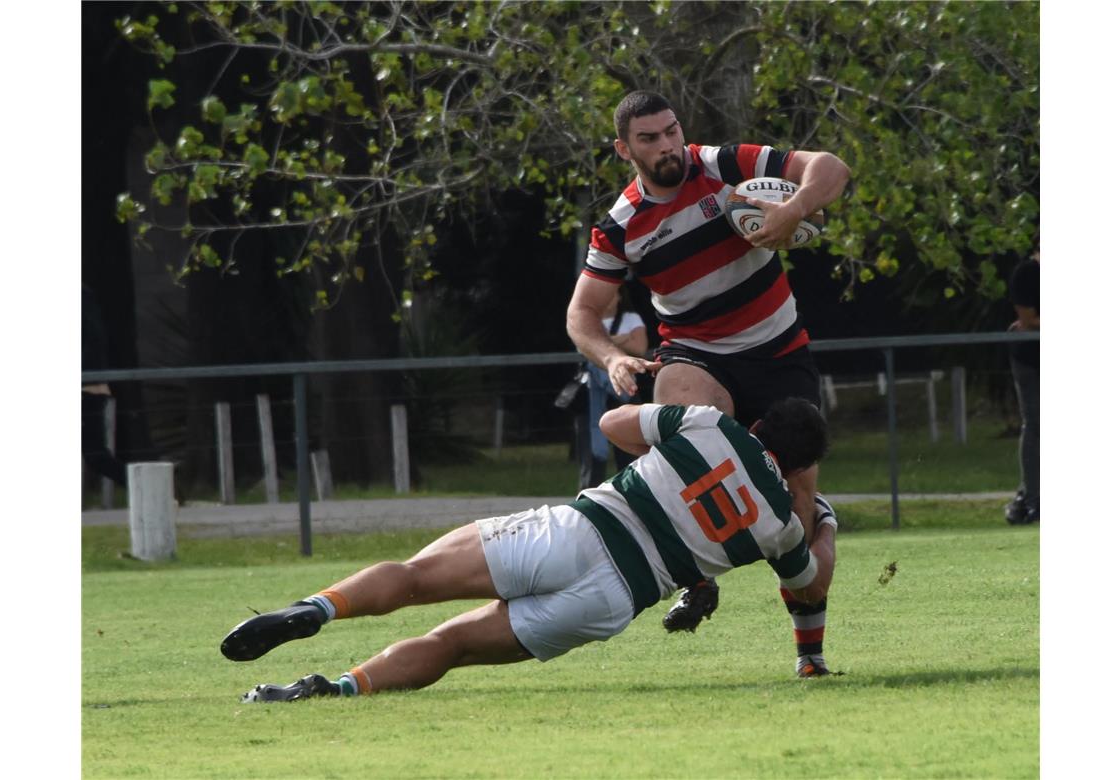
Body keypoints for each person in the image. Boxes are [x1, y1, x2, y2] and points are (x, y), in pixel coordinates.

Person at [221, 398, 837, 701]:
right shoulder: (782, 525)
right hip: (612, 599)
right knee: (451, 645)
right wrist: (824, 521)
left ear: (758, 427)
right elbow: (810, 583)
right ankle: (339, 688)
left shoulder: (710, 423)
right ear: (803, 466)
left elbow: (613, 425)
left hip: (575, 532)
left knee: (414, 578)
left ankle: (317, 609)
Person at [564, 90, 850, 676]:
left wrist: (793, 208)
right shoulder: (620, 226)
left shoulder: (723, 165)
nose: (667, 144)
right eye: (649, 138)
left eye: (671, 131)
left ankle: (810, 656)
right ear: (625, 148)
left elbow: (831, 167)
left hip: (778, 352)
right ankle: (695, 578)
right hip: (695, 354)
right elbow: (582, 314)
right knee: (686, 452)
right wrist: (612, 358)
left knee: (794, 520)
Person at [579, 288, 649, 488]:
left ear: (619, 297)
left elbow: (639, 347)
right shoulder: (590, 319)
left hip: (624, 392)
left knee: (627, 449)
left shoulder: (630, 318)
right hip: (593, 391)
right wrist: (622, 339)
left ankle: (631, 491)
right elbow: (583, 346)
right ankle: (588, 493)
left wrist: (603, 343)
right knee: (590, 447)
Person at [82, 284, 130, 489]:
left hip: (87, 388)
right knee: (96, 455)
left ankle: (154, 488)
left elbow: (92, 341)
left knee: (96, 455)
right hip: (90, 384)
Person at [1005, 252, 1039, 525]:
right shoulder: (1027, 273)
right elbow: (1027, 319)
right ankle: (1033, 499)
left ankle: (1025, 494)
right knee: (1036, 424)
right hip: (1031, 359)